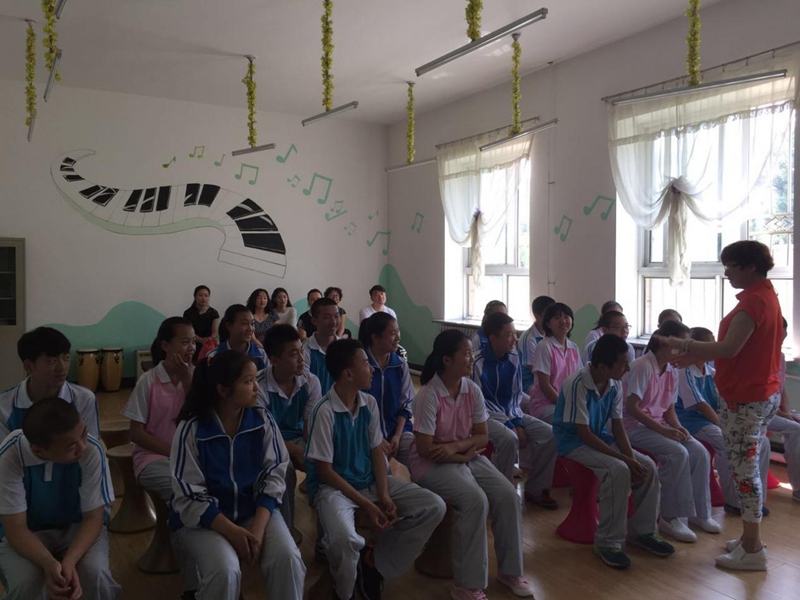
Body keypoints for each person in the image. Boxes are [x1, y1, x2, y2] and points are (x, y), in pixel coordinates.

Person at [657, 241, 783, 570]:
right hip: (758, 393)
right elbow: (741, 350)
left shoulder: (754, 302)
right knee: (745, 469)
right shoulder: (765, 296)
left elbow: (728, 349)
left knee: (744, 473)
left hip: (747, 398)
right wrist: (697, 355)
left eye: (731, 266)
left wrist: (684, 344)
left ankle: (753, 548)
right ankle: (748, 538)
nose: (726, 273)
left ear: (750, 267)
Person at [305, 339, 445, 600]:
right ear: (348, 374)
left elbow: (376, 452)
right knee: (345, 541)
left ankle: (374, 566)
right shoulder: (324, 411)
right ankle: (345, 594)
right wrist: (368, 505)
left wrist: (383, 494)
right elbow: (325, 472)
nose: (371, 369)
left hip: (369, 481)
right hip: (333, 490)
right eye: (365, 364)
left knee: (433, 506)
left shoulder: (368, 403)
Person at [170, 351, 305, 600]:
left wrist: (258, 531)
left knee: (288, 558)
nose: (256, 387)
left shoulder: (262, 419)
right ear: (223, 390)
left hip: (253, 511)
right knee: (225, 571)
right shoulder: (192, 428)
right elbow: (189, 495)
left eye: (255, 379)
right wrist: (232, 532)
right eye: (248, 381)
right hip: (204, 521)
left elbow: (274, 475)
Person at [411, 330, 535, 599]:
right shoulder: (428, 395)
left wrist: (456, 449)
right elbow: (425, 448)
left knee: (507, 495)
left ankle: (510, 571)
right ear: (447, 360)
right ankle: (466, 585)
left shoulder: (471, 390)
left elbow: (482, 436)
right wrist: (461, 453)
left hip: (465, 456)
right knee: (475, 500)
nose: (471, 358)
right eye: (466, 354)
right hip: (431, 464)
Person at [553, 334, 674, 569]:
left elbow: (618, 426)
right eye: (623, 364)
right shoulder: (577, 383)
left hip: (599, 438)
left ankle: (643, 532)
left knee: (647, 466)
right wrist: (624, 460)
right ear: (602, 366)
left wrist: (631, 458)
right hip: (572, 442)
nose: (627, 369)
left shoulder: (615, 384)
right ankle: (608, 542)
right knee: (617, 470)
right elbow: (583, 433)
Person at [0, 398, 119, 599]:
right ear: (38, 450)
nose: (83, 446)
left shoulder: (91, 449)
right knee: (25, 583)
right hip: (29, 532)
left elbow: (93, 518)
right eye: (71, 446)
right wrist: (49, 563)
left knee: (95, 575)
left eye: (83, 434)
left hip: (78, 527)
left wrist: (69, 562)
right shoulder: (9, 456)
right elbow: (16, 529)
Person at [623, 320, 719, 544]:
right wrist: (664, 431)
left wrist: (677, 427)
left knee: (699, 452)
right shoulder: (643, 366)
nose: (685, 350)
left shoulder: (672, 370)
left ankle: (700, 514)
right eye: (682, 345)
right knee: (677, 453)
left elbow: (669, 409)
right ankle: (669, 517)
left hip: (659, 426)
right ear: (665, 342)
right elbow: (632, 408)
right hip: (634, 427)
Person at [674, 327, 770, 517]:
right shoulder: (684, 372)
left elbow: (725, 400)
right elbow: (701, 405)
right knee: (728, 444)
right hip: (692, 422)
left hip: (714, 420)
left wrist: (737, 423)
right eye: (709, 344)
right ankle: (733, 500)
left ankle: (755, 498)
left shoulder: (711, 371)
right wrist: (726, 426)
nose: (714, 348)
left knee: (763, 441)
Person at [473, 312, 558, 509]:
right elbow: (480, 404)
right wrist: (510, 425)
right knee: (509, 438)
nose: (515, 339)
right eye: (509, 334)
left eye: (515, 333)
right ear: (493, 338)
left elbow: (515, 395)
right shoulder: (477, 362)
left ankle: (537, 488)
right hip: (483, 417)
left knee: (550, 434)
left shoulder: (513, 357)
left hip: (510, 413)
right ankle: (501, 493)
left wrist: (517, 422)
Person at [258, 324, 322, 537]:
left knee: (325, 463)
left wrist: (313, 453)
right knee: (285, 472)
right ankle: (287, 530)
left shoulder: (310, 382)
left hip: (298, 438)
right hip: (267, 444)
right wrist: (294, 451)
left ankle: (326, 532)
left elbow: (310, 428)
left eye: (301, 351)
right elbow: (263, 435)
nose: (302, 359)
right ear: (274, 360)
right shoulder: (257, 386)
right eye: (294, 354)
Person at [0, 327, 100, 440]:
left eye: (66, 358)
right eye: (52, 361)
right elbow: (5, 450)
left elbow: (89, 446)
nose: (62, 367)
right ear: (28, 366)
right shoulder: (3, 407)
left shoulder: (84, 399)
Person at [358, 313, 414, 465]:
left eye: (398, 331)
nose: (398, 337)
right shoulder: (360, 366)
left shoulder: (400, 365)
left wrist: (397, 436)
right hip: (367, 434)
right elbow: (356, 411)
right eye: (392, 333)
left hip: (399, 431)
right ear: (375, 337)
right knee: (382, 469)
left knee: (420, 459)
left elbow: (406, 405)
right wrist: (377, 438)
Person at [526, 302, 583, 423]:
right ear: (548, 324)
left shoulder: (573, 348)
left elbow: (578, 380)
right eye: (557, 318)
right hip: (545, 405)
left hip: (567, 404)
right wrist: (565, 405)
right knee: (574, 422)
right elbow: (545, 385)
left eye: (566, 317)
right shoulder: (544, 347)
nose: (563, 321)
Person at [767, 318, 800, 503]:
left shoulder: (779, 357)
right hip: (762, 412)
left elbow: (781, 391)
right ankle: (798, 488)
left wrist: (789, 414)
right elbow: (763, 398)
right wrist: (785, 416)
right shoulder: (759, 357)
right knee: (796, 430)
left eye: (784, 331)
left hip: (778, 411)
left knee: (796, 423)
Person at [207, 304, 268, 370]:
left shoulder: (261, 354)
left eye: (252, 324)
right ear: (229, 326)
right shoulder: (213, 356)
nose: (250, 329)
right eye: (244, 323)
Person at [517, 295, 556, 393]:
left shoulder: (551, 334)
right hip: (528, 384)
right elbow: (536, 370)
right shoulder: (529, 339)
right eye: (548, 316)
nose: (552, 319)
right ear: (537, 315)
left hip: (548, 379)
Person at [303, 297, 341, 395]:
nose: (333, 322)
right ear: (314, 321)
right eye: (327, 317)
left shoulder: (345, 348)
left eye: (336, 316)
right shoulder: (305, 351)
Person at [183, 285, 220, 363]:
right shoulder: (188, 313)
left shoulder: (214, 313)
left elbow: (215, 332)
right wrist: (201, 340)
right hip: (192, 343)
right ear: (195, 297)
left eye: (206, 296)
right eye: (200, 295)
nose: (203, 298)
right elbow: (187, 331)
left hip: (209, 345)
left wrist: (209, 340)